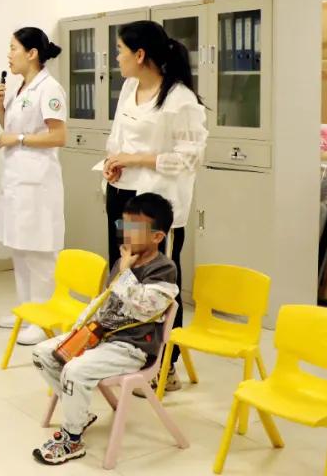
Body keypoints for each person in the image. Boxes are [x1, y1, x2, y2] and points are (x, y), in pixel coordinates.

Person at [31, 193, 179, 465]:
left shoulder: (164, 269)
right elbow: (106, 300)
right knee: (43, 354)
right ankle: (79, 415)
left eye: (134, 228)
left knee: (75, 370)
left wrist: (124, 272)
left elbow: (144, 307)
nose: (126, 233)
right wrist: (80, 328)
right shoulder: (125, 261)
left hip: (132, 347)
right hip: (100, 337)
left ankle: (72, 439)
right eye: (124, 225)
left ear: (157, 236)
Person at [102, 20, 207, 393]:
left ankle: (165, 365)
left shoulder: (180, 100)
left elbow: (189, 158)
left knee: (156, 282)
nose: (116, 58)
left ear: (140, 54)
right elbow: (117, 138)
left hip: (155, 205)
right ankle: (128, 353)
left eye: (120, 50)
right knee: (125, 275)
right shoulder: (129, 88)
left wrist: (136, 159)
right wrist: (114, 163)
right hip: (122, 194)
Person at [0, 27, 67, 345]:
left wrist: (19, 138)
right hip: (17, 181)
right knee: (20, 248)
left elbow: (58, 136)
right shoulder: (21, 87)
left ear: (32, 53)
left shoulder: (49, 88)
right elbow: (10, 130)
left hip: (38, 185)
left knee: (39, 253)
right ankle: (27, 311)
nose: (9, 55)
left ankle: (44, 319)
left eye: (14, 48)